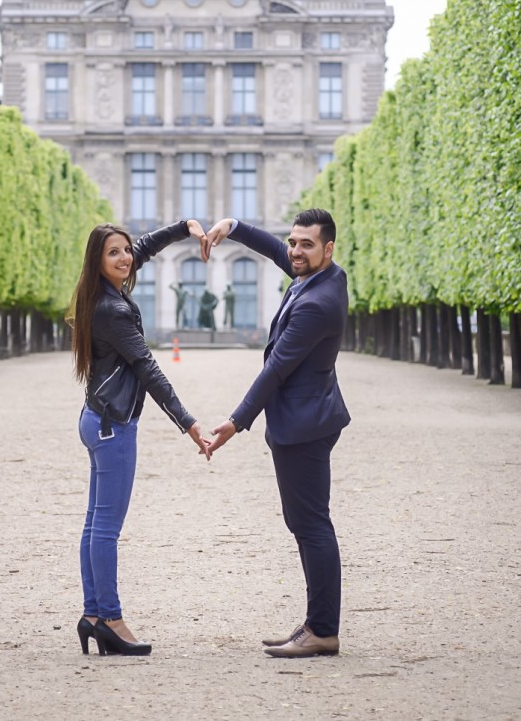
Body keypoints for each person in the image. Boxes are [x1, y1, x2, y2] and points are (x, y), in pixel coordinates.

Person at [202, 209, 351, 658]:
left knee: (311, 526)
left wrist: (235, 422)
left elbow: (277, 369)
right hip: (308, 417)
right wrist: (234, 227)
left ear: (328, 248)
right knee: (306, 524)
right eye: (293, 241)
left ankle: (323, 629)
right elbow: (275, 253)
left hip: (303, 427)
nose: (295, 251)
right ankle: (316, 622)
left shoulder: (315, 304)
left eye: (306, 244)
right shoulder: (324, 277)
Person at [67, 220, 210, 657]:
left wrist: (182, 229)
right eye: (114, 253)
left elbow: (143, 248)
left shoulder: (100, 294)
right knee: (106, 529)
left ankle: (93, 615)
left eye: (126, 251)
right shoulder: (113, 310)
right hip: (114, 426)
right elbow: (147, 368)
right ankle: (110, 618)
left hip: (95, 418)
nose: (125, 258)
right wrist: (188, 423)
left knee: (95, 523)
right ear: (98, 261)